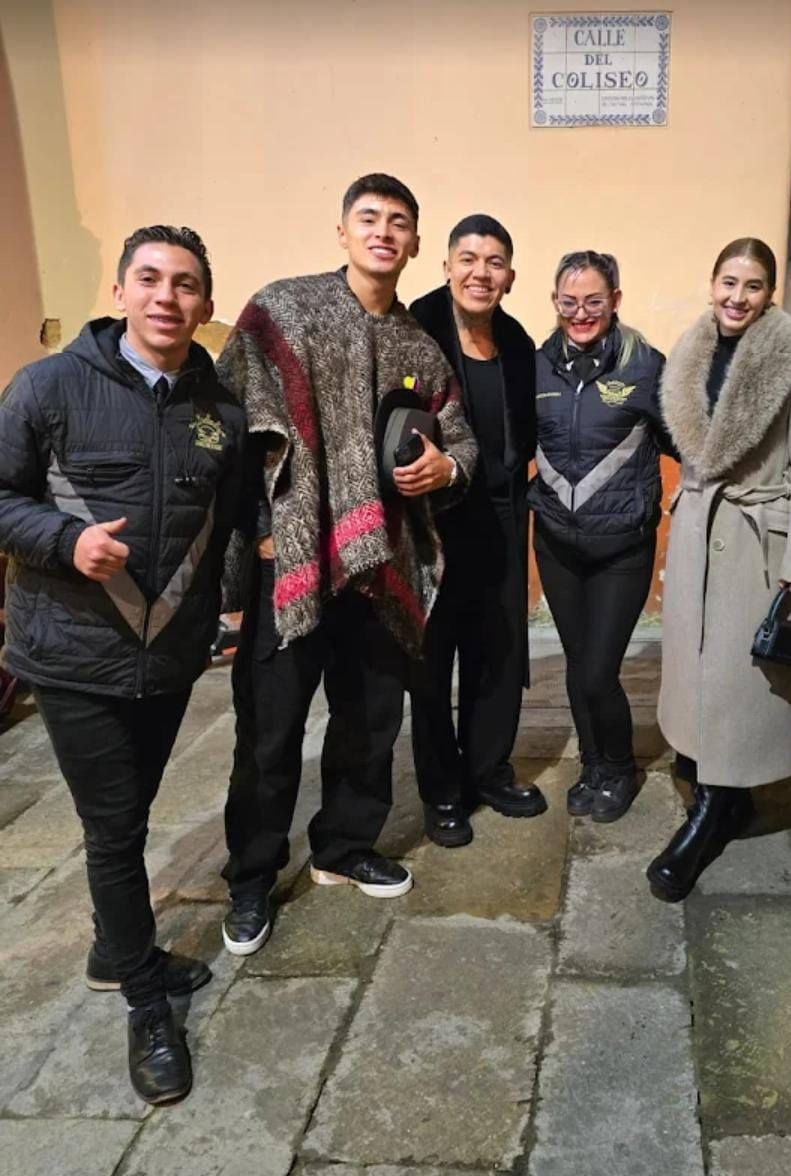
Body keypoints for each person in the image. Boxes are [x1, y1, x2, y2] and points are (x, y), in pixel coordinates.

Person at [0, 226, 245, 1104]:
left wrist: (240, 601)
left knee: (131, 812)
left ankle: (116, 948)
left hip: (169, 658)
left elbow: (231, 518)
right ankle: (144, 1000)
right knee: (114, 830)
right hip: (72, 654)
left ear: (205, 304)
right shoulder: (48, 387)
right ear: (118, 291)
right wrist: (65, 541)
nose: (165, 297)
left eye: (184, 284)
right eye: (149, 278)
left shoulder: (220, 409)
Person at [218, 174, 477, 956]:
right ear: (342, 231)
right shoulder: (284, 311)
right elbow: (227, 423)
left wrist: (447, 468)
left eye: (399, 222)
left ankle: (344, 846)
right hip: (293, 557)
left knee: (370, 722)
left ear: (415, 243)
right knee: (270, 732)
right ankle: (251, 878)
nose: (383, 232)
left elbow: (460, 436)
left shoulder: (418, 345)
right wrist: (257, 531)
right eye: (369, 218)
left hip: (380, 562)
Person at [648, 238, 791, 902]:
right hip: (699, 530)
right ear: (712, 283)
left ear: (769, 293)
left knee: (737, 679)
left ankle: (718, 806)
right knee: (693, 670)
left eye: (752, 286)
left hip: (756, 540)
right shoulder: (690, 351)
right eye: (728, 282)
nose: (737, 297)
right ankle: (711, 783)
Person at [408, 215, 544, 845]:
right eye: (468, 259)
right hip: (432, 524)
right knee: (432, 664)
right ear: (446, 266)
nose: (480, 273)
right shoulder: (417, 329)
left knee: (497, 655)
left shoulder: (516, 341)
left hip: (501, 520)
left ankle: (488, 770)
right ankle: (442, 791)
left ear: (509, 276)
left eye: (494, 262)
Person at [530, 250, 669, 822]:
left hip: (622, 548)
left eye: (593, 301)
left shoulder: (646, 366)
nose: (581, 313)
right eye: (569, 302)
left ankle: (619, 767)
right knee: (577, 661)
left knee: (598, 670)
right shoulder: (537, 365)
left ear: (615, 300)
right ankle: (592, 765)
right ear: (555, 302)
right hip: (556, 543)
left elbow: (687, 439)